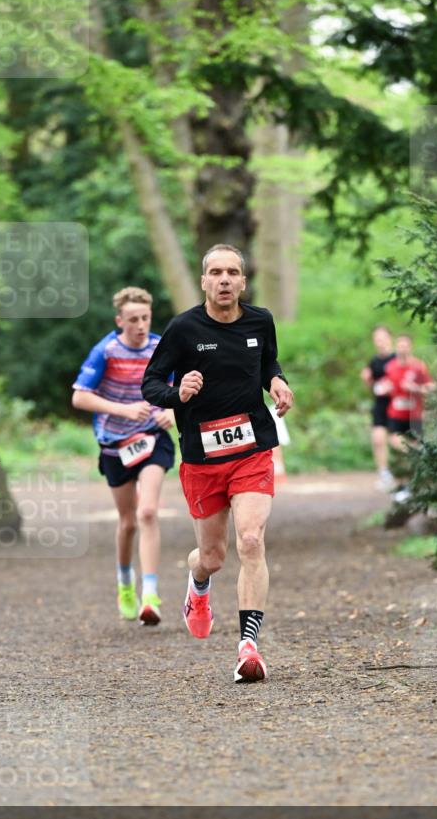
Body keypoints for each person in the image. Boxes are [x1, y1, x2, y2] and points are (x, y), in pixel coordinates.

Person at [142, 244, 294, 683]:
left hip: (251, 450)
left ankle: (249, 646)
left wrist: (278, 382)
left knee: (250, 539)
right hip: (203, 458)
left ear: (243, 281)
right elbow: (151, 383)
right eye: (216, 272)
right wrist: (178, 393)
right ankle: (198, 583)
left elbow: (268, 362)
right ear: (204, 280)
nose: (224, 279)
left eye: (232, 272)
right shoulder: (183, 328)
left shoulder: (260, 320)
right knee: (212, 556)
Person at [72, 287, 175, 625]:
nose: (141, 325)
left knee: (148, 512)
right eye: (133, 320)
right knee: (128, 522)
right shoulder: (106, 350)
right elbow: (80, 398)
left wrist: (171, 413)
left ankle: (150, 595)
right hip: (115, 444)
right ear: (120, 321)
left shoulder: (161, 347)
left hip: (152, 438)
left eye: (145, 318)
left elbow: (180, 391)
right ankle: (125, 582)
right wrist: (122, 409)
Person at [382, 334, 435, 502]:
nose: (402, 348)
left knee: (412, 451)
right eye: (400, 345)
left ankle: (412, 487)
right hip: (396, 413)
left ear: (410, 347)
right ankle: (404, 486)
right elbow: (387, 385)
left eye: (405, 345)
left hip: (415, 415)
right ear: (396, 347)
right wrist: (385, 388)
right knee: (398, 446)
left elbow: (431, 387)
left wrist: (415, 388)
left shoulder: (418, 366)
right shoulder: (390, 367)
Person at [360, 325, 396, 491]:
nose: (379, 342)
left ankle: (410, 472)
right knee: (378, 439)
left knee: (397, 441)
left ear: (390, 338)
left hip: (398, 405)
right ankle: (384, 474)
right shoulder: (374, 361)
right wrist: (368, 381)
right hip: (380, 405)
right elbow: (373, 387)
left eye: (382, 338)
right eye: (376, 339)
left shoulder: (398, 359)